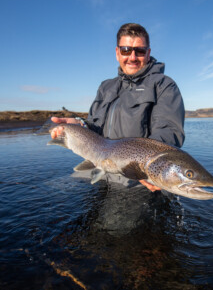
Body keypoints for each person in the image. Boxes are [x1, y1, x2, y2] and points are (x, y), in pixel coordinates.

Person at [51, 23, 185, 192]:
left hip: (136, 178)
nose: (133, 57)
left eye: (140, 51)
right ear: (117, 53)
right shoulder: (105, 87)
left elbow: (169, 131)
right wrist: (79, 125)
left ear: (148, 53)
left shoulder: (164, 85)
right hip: (98, 168)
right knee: (51, 194)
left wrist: (148, 168)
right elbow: (94, 126)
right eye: (126, 50)